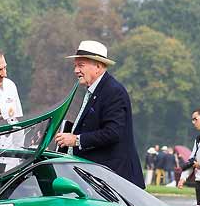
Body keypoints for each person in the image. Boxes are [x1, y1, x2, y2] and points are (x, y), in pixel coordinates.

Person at [53, 40, 145, 188]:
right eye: (75, 65)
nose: (76, 70)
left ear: (98, 66)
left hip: (116, 180)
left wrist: (76, 139)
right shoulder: (97, 90)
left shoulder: (113, 91)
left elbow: (113, 133)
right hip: (102, 179)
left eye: (81, 65)